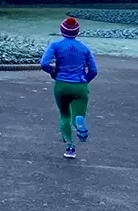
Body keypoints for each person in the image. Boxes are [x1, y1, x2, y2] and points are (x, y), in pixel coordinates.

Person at [41, 16, 98, 159]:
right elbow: (94, 70)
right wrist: (85, 81)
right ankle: (79, 121)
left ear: (61, 31)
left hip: (62, 85)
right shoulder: (84, 48)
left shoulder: (55, 45)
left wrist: (53, 73)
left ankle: (70, 147)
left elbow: (44, 63)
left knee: (64, 115)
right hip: (79, 85)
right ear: (77, 32)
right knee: (78, 114)